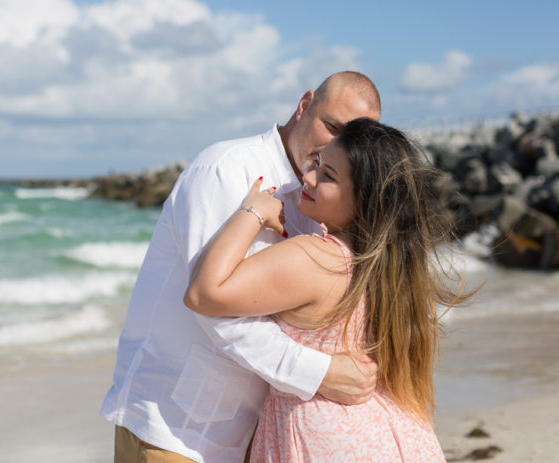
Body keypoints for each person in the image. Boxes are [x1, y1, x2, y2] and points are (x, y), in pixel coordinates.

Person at [101, 72, 381, 463]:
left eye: (350, 139)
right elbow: (216, 311)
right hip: (172, 431)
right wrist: (322, 373)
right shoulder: (227, 170)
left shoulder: (321, 200)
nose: (334, 146)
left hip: (253, 438)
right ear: (304, 106)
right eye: (330, 126)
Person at [184, 118, 468, 462]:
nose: (309, 177)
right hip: (403, 438)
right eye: (317, 163)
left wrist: (252, 211)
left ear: (364, 199)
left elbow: (203, 294)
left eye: (328, 176)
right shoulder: (391, 268)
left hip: (328, 442)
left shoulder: (316, 259)